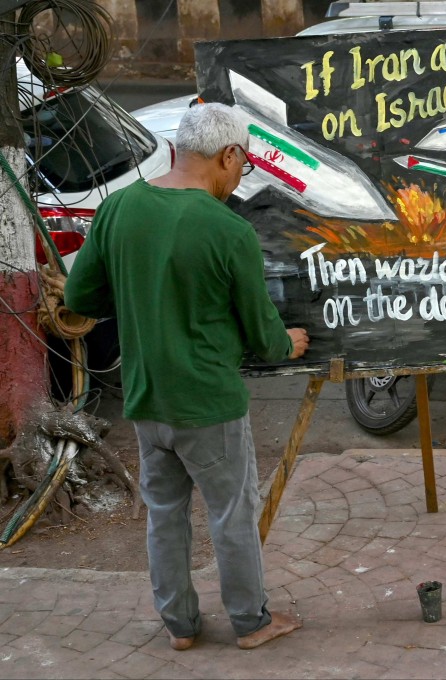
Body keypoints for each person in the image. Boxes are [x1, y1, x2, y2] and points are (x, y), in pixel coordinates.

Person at [65, 102, 309, 651]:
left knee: (165, 516)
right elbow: (262, 335)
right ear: (228, 156)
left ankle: (179, 626)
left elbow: (81, 296)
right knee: (231, 515)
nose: (238, 178)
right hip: (209, 405)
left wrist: (137, 295)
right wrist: (287, 342)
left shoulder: (119, 209)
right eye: (241, 166)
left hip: (147, 400)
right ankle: (251, 623)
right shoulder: (228, 230)